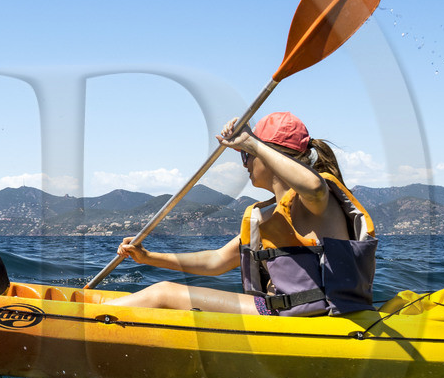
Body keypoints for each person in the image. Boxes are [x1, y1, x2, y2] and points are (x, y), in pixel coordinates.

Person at [110, 111, 377, 315]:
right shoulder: (269, 215)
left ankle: (83, 324)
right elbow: (216, 262)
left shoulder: (317, 201)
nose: (245, 164)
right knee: (162, 293)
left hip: (318, 321)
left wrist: (253, 143)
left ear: (269, 155)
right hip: (275, 310)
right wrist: (147, 257)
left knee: (162, 294)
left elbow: (314, 187)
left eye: (246, 156)